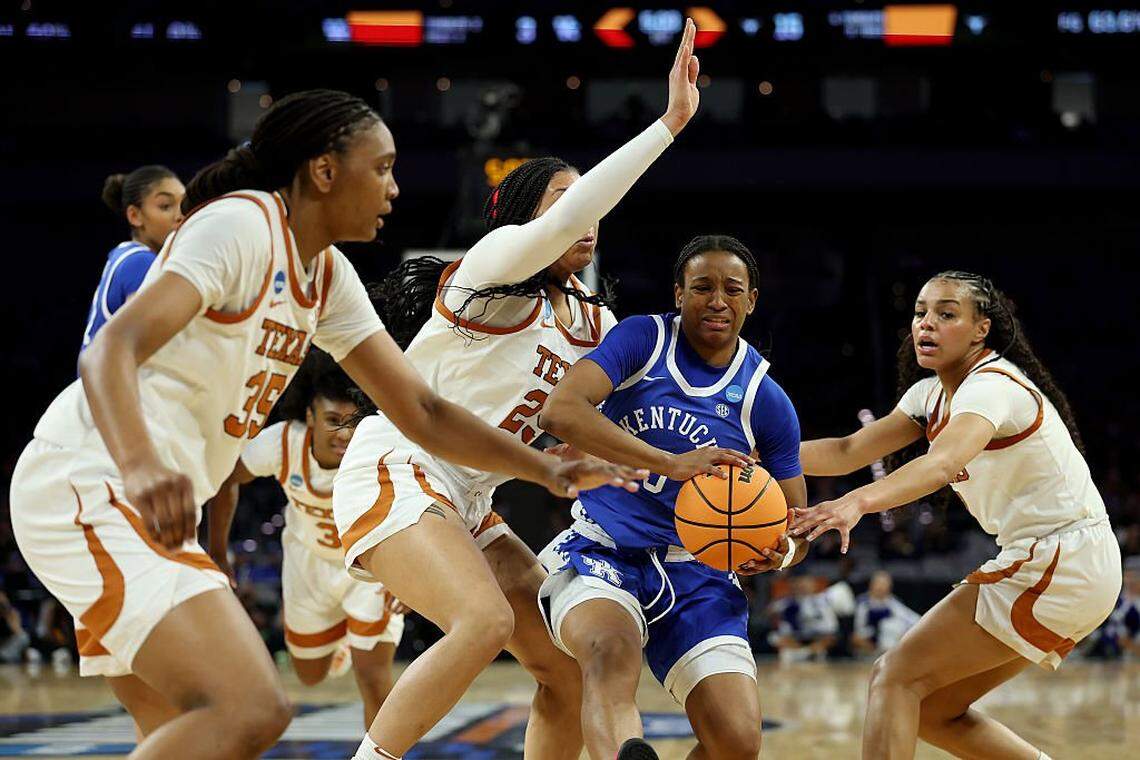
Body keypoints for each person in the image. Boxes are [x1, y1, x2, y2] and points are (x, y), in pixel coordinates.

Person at [9, 88, 641, 760]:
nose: (394, 188)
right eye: (383, 168)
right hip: (97, 477)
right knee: (251, 706)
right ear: (325, 171)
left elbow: (423, 410)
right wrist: (140, 466)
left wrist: (547, 469)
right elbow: (109, 349)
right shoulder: (243, 225)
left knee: (183, 725)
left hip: (164, 503)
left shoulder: (329, 276)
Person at [331, 20, 704, 760]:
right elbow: (572, 214)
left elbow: (652, 411)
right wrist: (668, 125)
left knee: (563, 671)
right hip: (399, 466)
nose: (585, 215)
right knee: (483, 622)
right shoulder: (488, 270)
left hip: (470, 500)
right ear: (531, 215)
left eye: (586, 202)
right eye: (567, 201)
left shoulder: (595, 325)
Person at [793, 271, 1122, 759]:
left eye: (946, 314)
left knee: (894, 677)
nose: (926, 323)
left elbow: (943, 463)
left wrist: (856, 502)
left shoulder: (991, 386)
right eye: (920, 312)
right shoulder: (929, 395)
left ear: (980, 329)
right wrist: (761, 455)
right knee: (931, 711)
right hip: (1066, 563)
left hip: (1061, 557)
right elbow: (847, 451)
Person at [538, 234, 809, 760]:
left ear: (752, 300)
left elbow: (796, 523)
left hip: (698, 572)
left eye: (732, 289)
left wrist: (783, 552)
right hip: (605, 550)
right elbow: (560, 411)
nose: (717, 300)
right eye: (702, 287)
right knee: (608, 654)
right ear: (679, 294)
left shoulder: (765, 400)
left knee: (737, 742)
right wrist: (668, 463)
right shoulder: (643, 340)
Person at [206, 349, 406, 728]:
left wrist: (409, 577)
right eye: (332, 421)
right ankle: (342, 639)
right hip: (307, 563)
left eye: (352, 422)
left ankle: (378, 751)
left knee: (373, 680)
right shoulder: (282, 443)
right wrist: (218, 552)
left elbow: (415, 505)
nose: (343, 434)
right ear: (310, 416)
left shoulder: (379, 447)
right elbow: (226, 479)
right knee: (309, 675)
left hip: (369, 566)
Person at [82, 166, 185, 351]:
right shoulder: (140, 261)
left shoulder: (126, 254)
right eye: (165, 206)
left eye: (184, 204)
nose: (180, 215)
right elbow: (143, 340)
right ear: (135, 216)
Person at [769, 574, 839, 663]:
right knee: (773, 638)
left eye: (805, 584)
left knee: (830, 639)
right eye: (798, 584)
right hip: (795, 639)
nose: (801, 587)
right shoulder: (785, 603)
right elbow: (773, 615)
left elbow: (831, 629)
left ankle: (805, 653)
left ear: (813, 585)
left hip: (816, 637)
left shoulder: (823, 601)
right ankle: (805, 653)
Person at [850, 570, 919, 656]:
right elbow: (855, 634)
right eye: (878, 584)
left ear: (889, 587)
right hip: (866, 648)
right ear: (871, 585)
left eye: (884, 585)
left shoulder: (894, 603)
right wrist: (872, 648)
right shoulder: (862, 603)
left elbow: (913, 621)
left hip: (889, 650)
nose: (881, 588)